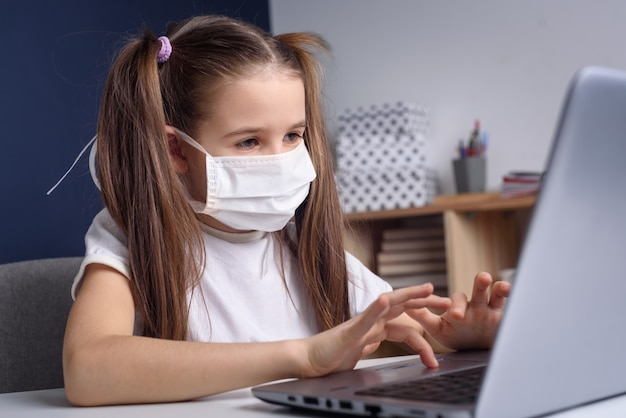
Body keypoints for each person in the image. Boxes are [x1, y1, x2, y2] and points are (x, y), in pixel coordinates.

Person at [62, 14, 510, 406]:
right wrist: (304, 355)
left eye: (294, 136)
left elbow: (413, 328)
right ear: (176, 149)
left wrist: (462, 337)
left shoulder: (301, 243)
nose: (281, 159)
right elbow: (87, 369)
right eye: (250, 141)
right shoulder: (129, 237)